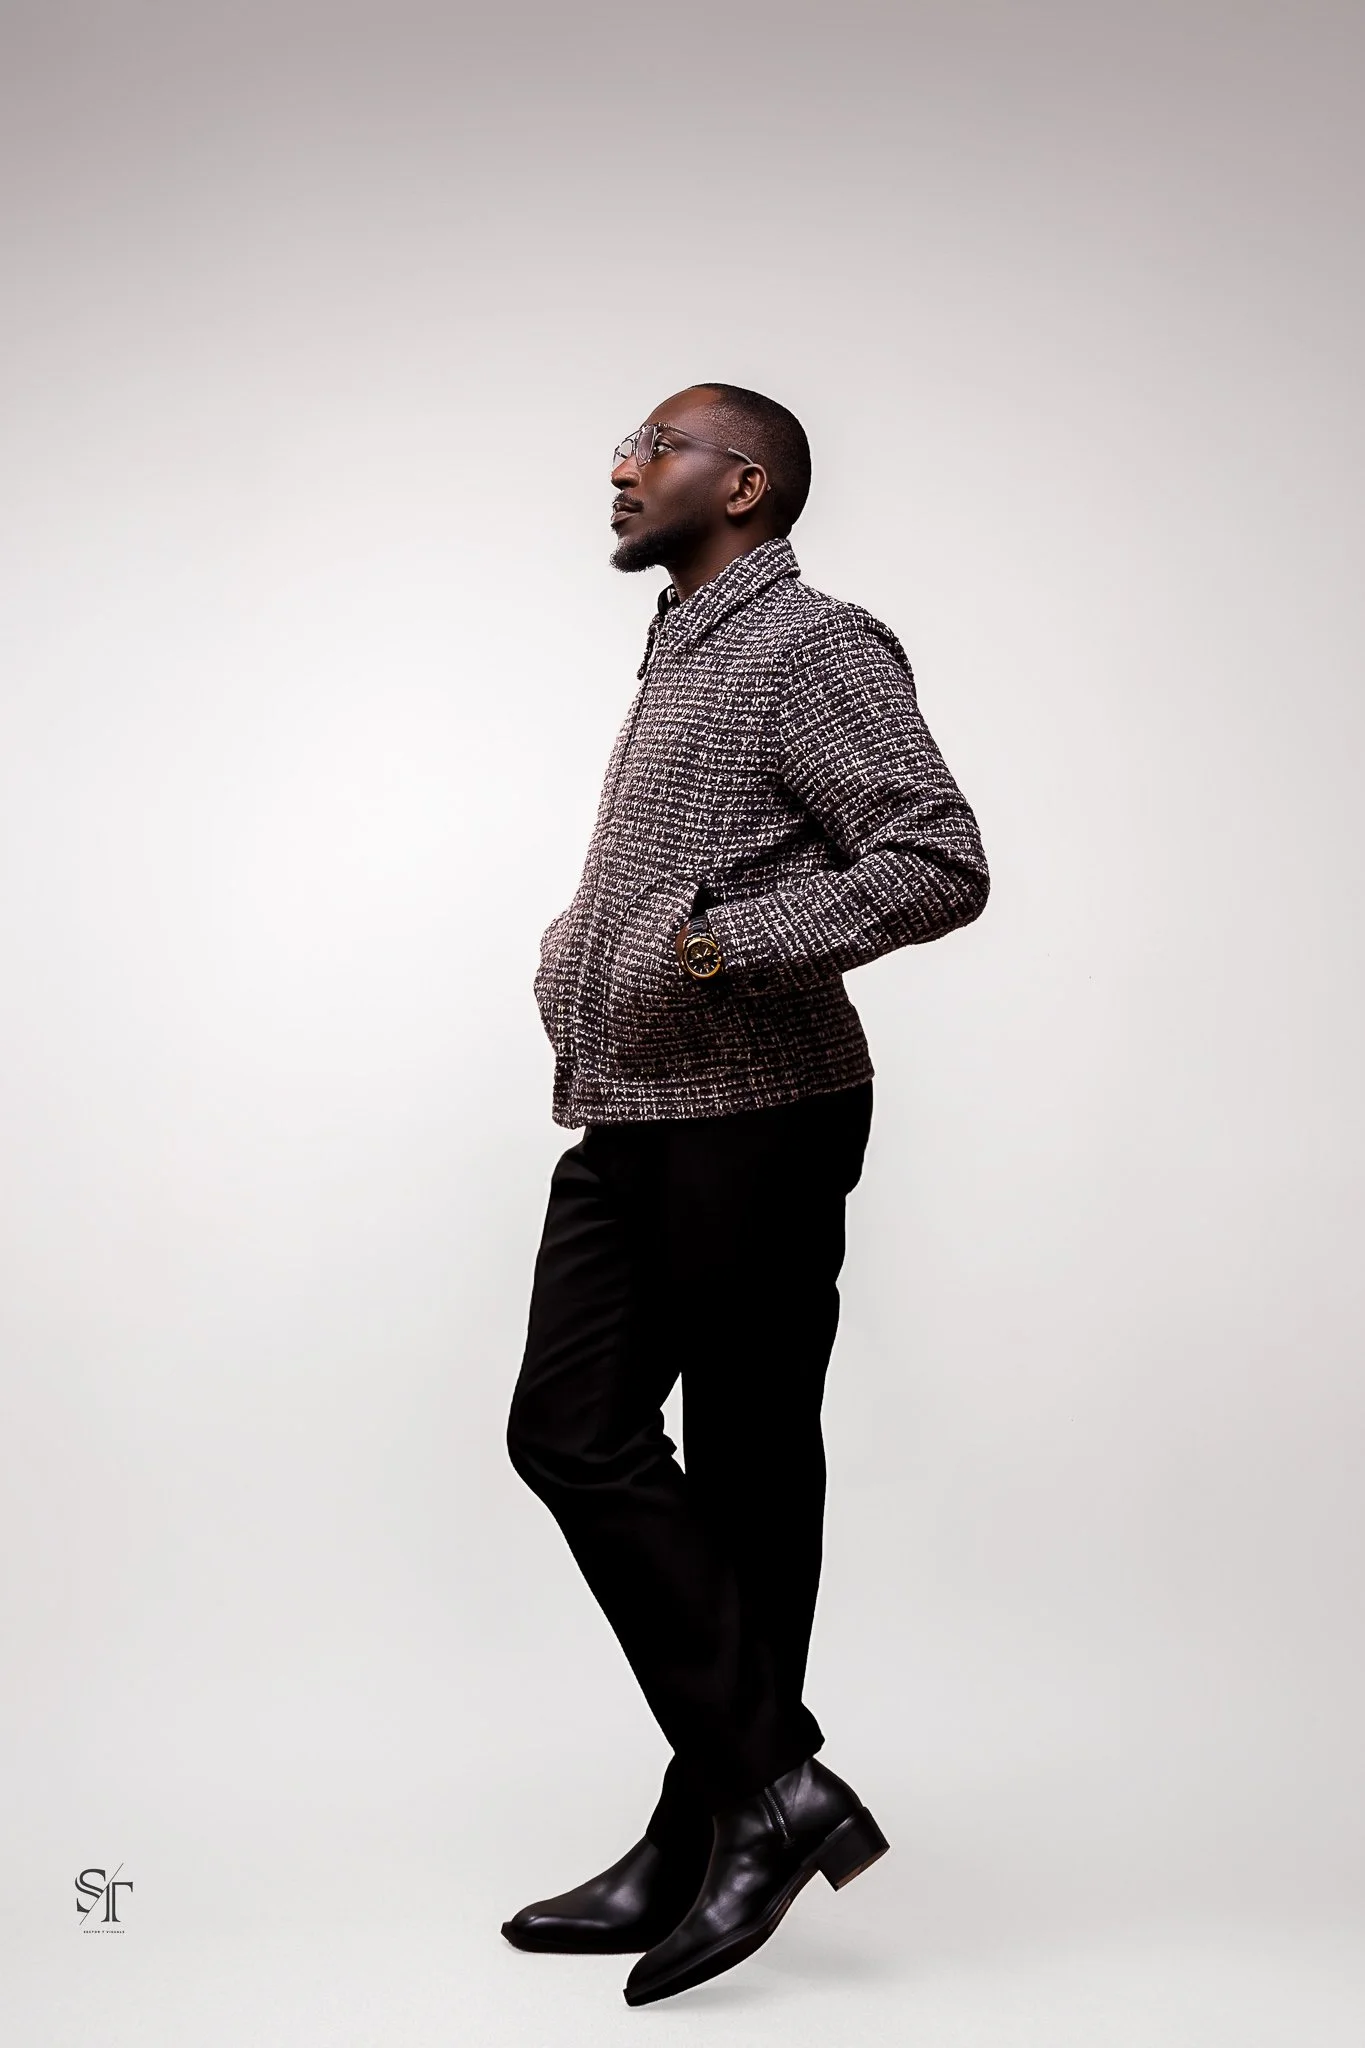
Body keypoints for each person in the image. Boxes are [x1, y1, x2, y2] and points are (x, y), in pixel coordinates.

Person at [502, 383, 989, 2006]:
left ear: (749, 482)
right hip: (636, 1108)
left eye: (659, 443)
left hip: (764, 1116)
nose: (624, 465)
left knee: (751, 1470)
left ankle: (725, 1815)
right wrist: (586, 954)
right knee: (569, 1429)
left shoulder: (815, 642)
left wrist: (713, 947)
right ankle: (758, 1794)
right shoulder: (685, 645)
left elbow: (935, 858)